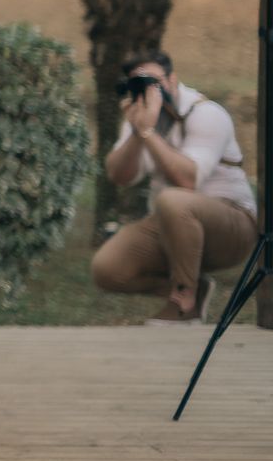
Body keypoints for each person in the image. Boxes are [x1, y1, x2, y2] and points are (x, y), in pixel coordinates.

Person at [91, 50, 259, 324]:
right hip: (173, 223)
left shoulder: (207, 113)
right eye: (138, 83)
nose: (147, 90)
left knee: (172, 199)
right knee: (108, 268)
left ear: (172, 80)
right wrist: (137, 132)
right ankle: (192, 289)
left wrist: (148, 133)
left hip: (233, 225)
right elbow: (119, 176)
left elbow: (188, 181)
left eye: (153, 81)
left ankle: (185, 303)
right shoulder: (142, 116)